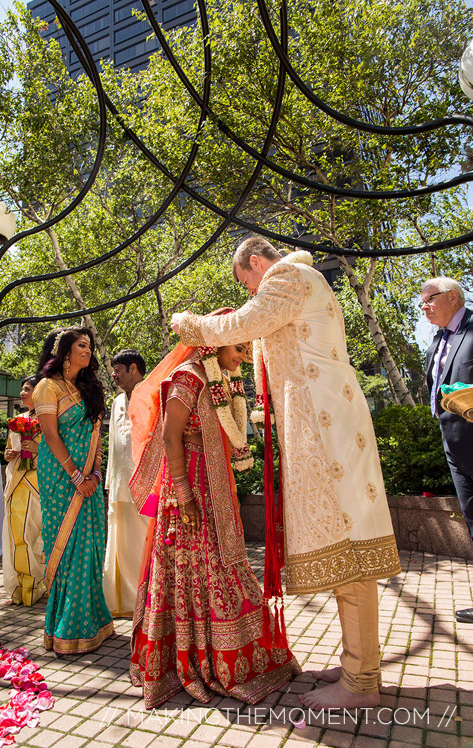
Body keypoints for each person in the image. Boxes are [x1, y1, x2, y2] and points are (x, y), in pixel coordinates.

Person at [171, 237, 400, 709]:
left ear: (256, 263)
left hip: (325, 427)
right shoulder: (301, 281)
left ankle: (362, 683)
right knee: (345, 546)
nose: (250, 290)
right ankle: (361, 661)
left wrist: (187, 324)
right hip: (325, 421)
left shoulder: (288, 278)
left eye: (246, 281)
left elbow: (243, 324)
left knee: (349, 549)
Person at [128, 337, 300, 707]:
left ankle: (235, 654)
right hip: (188, 487)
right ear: (215, 346)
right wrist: (184, 495)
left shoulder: (220, 379)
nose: (243, 357)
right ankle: (193, 659)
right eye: (238, 349)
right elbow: (170, 436)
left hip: (215, 481)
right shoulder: (188, 377)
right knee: (197, 564)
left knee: (221, 561)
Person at [33, 327, 113, 655]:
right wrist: (76, 476)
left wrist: (95, 472)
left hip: (88, 480)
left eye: (90, 346)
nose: (88, 351)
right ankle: (67, 628)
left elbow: (97, 436)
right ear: (64, 351)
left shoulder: (87, 389)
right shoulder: (46, 387)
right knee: (68, 550)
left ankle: (93, 622)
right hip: (60, 478)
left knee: (91, 547)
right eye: (82, 345)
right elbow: (51, 436)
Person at [420, 277, 473, 622]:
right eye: (421, 303)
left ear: (452, 297)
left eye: (429, 300)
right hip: (454, 444)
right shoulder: (436, 341)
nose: (424, 307)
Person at [103, 349, 149, 618]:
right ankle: (121, 602)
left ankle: (145, 600)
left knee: (142, 541)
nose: (113, 375)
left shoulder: (154, 394)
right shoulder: (117, 401)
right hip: (119, 482)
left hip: (145, 482)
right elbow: (113, 445)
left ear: (133, 368)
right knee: (119, 540)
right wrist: (110, 480)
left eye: (117, 369)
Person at [1, 376, 46, 606]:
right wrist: (8, 454)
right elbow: (10, 449)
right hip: (16, 481)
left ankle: (40, 583)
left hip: (39, 483)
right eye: (22, 389)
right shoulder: (18, 420)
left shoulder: (50, 418)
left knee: (37, 536)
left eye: (27, 389)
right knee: (17, 535)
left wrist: (39, 448)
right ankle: (22, 587)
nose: (22, 393)